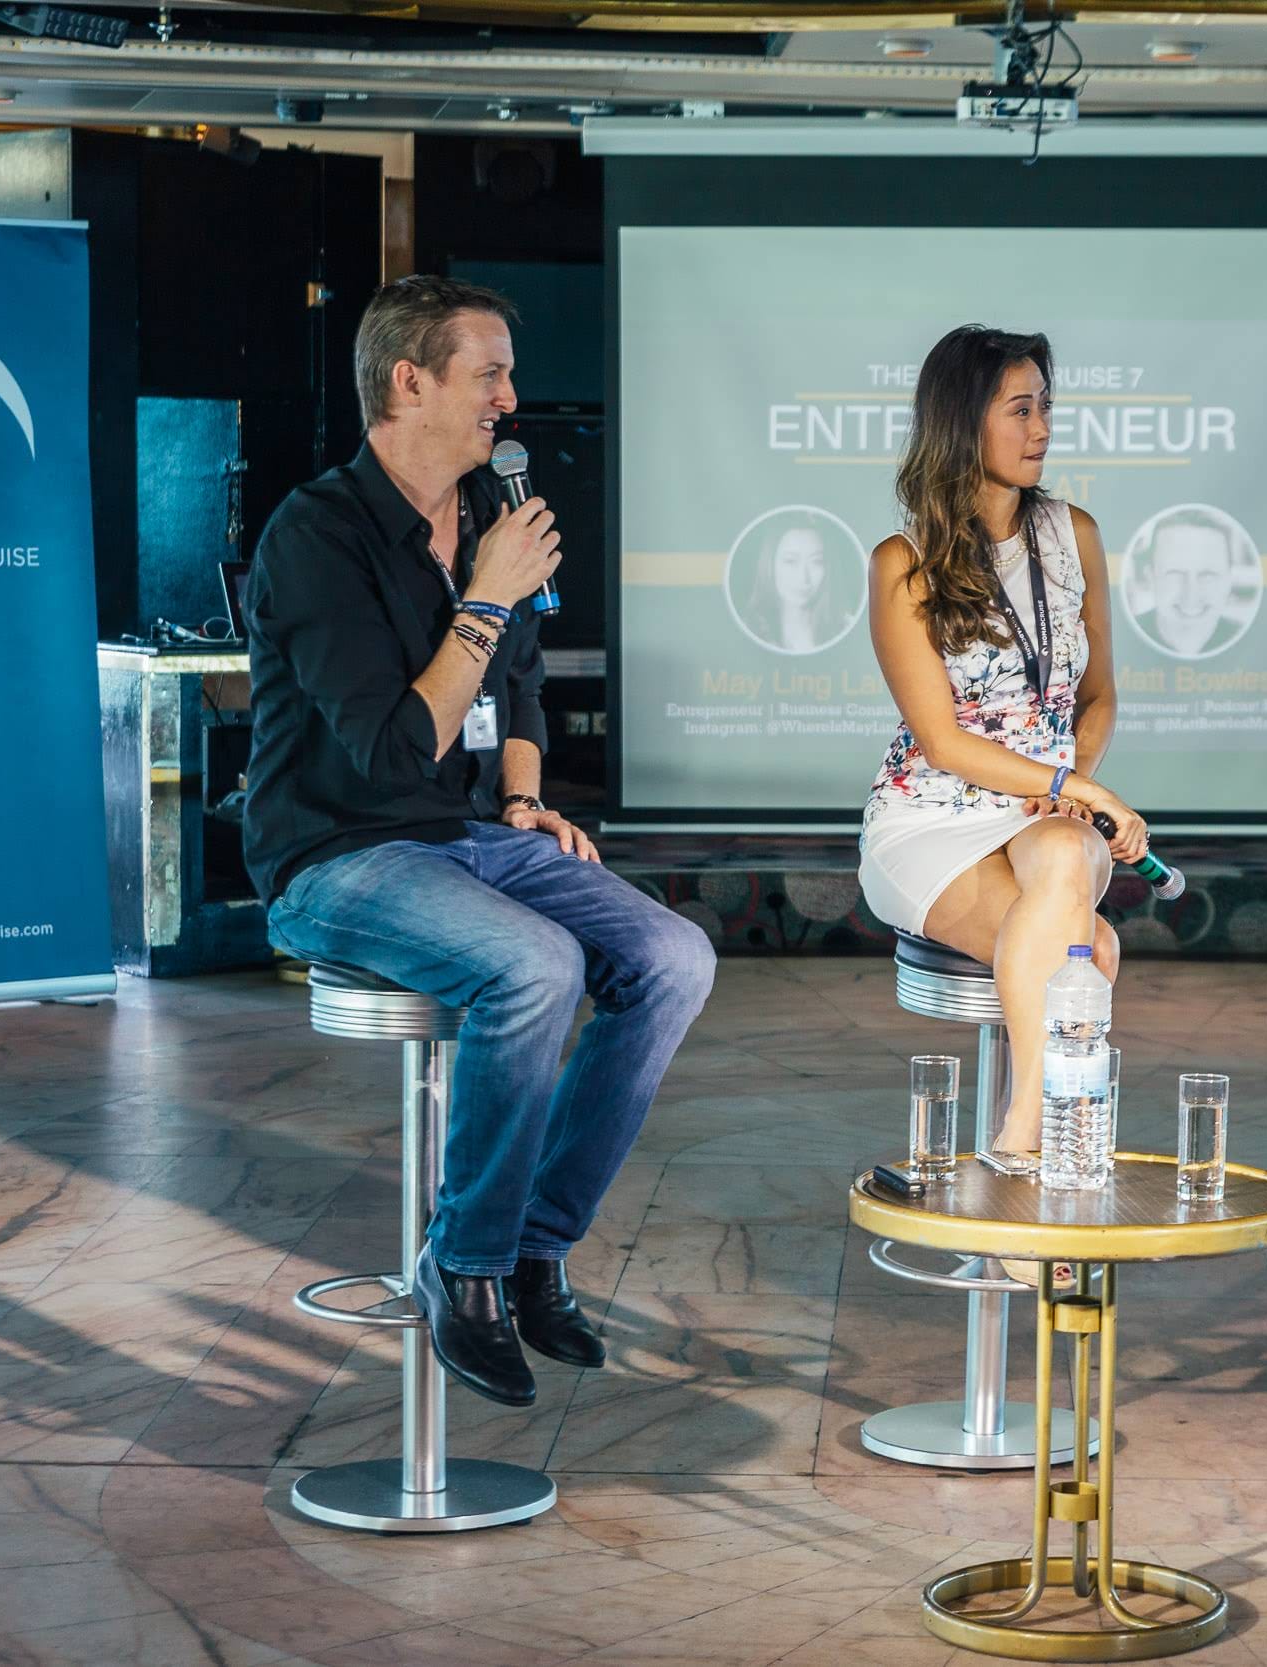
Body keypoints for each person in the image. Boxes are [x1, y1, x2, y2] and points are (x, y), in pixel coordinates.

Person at [243, 275, 715, 1407]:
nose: (510, 396)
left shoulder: (489, 524)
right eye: (489, 373)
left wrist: (522, 801)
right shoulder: (318, 534)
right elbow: (391, 750)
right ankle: (464, 1264)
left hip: (473, 835)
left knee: (674, 957)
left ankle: (535, 1247)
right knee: (535, 964)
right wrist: (487, 598)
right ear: (410, 382)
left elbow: (523, 691)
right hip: (340, 853)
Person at [859, 325, 1149, 1167]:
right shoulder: (903, 562)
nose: (1043, 428)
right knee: (1093, 950)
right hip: (931, 819)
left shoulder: (1073, 532)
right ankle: (1048, 1140)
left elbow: (1097, 695)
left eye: (1045, 407)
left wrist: (1071, 786)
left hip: (1043, 812)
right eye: (1021, 410)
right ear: (963, 422)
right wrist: (1077, 788)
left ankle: (1021, 1140)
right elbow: (942, 741)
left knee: (1063, 849)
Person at [1132, 509, 1253, 657]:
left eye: (1207, 575)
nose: (1191, 595)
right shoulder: (1122, 639)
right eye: (1175, 573)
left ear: (1229, 580)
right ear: (1151, 578)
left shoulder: (1253, 644)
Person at [739, 521, 853, 654]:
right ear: (770, 565)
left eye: (816, 561)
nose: (803, 578)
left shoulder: (848, 629)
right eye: (790, 561)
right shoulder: (746, 630)